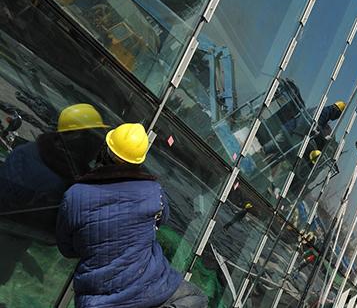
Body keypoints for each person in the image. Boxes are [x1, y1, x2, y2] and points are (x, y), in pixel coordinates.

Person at [56, 123, 208, 308]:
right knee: (197, 298)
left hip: (97, 299)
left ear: (105, 151)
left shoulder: (74, 195)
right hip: (151, 286)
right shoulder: (154, 191)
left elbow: (67, 248)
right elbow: (162, 220)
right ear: (139, 161)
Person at [0, 103, 108, 286]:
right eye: (95, 137)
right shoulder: (67, 183)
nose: (97, 145)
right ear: (78, 137)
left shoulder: (26, 151)